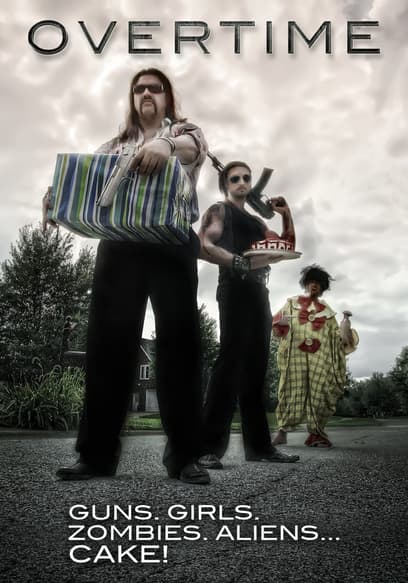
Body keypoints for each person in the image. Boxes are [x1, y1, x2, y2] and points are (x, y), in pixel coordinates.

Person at [56, 68, 210, 484]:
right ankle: (95, 456)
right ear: (131, 97)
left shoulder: (184, 131)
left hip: (172, 241)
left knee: (180, 344)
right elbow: (88, 185)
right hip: (119, 244)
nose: (146, 92)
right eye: (139, 88)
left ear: (167, 98)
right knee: (107, 345)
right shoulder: (113, 146)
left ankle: (185, 457)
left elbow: (194, 149)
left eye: (155, 88)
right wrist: (58, 198)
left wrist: (164, 143)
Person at [197, 161, 300, 469]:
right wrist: (237, 262)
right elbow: (204, 243)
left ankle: (260, 447)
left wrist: (286, 215)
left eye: (246, 178)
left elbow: (286, 247)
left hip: (258, 291)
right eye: (235, 178)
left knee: (257, 367)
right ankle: (206, 448)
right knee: (230, 362)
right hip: (233, 287)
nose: (241, 182)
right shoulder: (220, 211)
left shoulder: (256, 222)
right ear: (225, 184)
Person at [272, 264, 357, 448]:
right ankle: (281, 433)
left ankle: (316, 434)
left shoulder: (327, 311)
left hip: (319, 358)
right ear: (305, 284)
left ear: (322, 287)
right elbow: (277, 327)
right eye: (311, 282)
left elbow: (337, 338)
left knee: (320, 393)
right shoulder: (291, 303)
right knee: (289, 390)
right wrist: (282, 323)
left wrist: (345, 329)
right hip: (296, 356)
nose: (314, 285)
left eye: (318, 283)